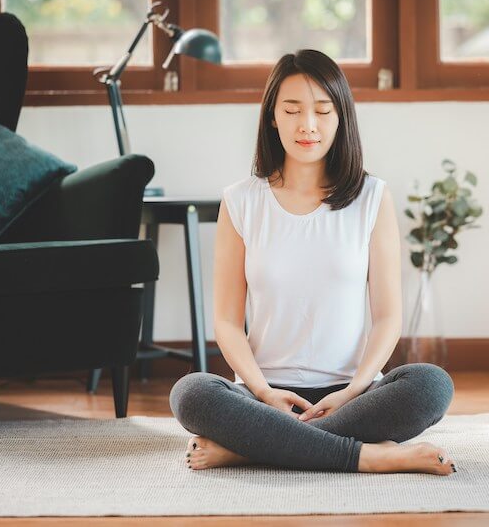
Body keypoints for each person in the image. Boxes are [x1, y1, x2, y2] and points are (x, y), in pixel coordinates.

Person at [169, 49, 456, 475]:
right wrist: (264, 394)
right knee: (191, 393)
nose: (308, 125)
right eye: (292, 110)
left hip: (350, 393)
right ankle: (370, 456)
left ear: (341, 118)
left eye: (323, 111)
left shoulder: (371, 198)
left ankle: (249, 450)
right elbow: (227, 323)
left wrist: (354, 389)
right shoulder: (241, 201)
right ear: (272, 117)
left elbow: (388, 318)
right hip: (262, 395)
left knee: (432, 385)